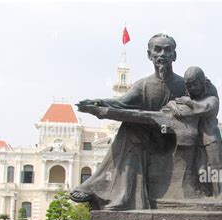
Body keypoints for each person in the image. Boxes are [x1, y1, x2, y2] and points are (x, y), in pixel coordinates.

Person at [70, 33, 186, 210]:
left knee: (132, 130)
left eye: (167, 50)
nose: (162, 54)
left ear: (174, 56)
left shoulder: (183, 85)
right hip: (148, 139)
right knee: (130, 130)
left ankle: (101, 188)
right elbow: (121, 103)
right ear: (149, 55)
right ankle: (122, 197)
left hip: (173, 140)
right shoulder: (143, 85)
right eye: (157, 50)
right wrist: (98, 103)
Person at [173, 66, 222, 200]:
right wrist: (175, 106)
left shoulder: (211, 99)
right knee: (201, 169)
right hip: (195, 139)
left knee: (218, 165)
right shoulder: (189, 100)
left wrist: (188, 102)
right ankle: (208, 194)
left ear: (202, 82)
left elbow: (204, 109)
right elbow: (174, 105)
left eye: (195, 84)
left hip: (210, 137)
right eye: (189, 85)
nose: (193, 88)